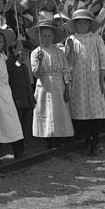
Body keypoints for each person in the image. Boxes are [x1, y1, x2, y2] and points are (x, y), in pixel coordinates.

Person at [63, 9, 105, 156]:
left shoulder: (96, 38)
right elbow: (67, 63)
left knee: (95, 111)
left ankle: (95, 141)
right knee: (81, 111)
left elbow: (103, 59)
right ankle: (86, 140)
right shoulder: (71, 39)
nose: (82, 25)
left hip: (94, 78)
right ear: (75, 24)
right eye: (79, 23)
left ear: (90, 24)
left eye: (85, 23)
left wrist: (101, 79)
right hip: (78, 80)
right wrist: (69, 50)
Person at [29, 19, 73, 149]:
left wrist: (67, 90)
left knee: (59, 112)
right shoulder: (36, 52)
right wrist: (40, 61)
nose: (47, 38)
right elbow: (36, 74)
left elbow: (66, 70)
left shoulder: (59, 52)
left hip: (59, 86)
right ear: (39, 37)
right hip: (45, 86)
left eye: (49, 36)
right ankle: (49, 141)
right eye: (44, 36)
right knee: (47, 111)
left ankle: (59, 139)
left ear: (53, 37)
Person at [0, 27, 24, 163]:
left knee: (12, 121)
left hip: (6, 91)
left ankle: (18, 150)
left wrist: (18, 56)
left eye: (0, 42)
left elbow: (13, 68)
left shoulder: (3, 57)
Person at [6, 41, 35, 157]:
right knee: (17, 127)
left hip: (26, 101)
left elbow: (28, 85)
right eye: (21, 53)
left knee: (25, 127)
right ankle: (17, 150)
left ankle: (22, 148)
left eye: (26, 55)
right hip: (16, 101)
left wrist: (31, 100)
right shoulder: (10, 64)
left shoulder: (24, 67)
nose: (23, 56)